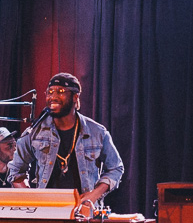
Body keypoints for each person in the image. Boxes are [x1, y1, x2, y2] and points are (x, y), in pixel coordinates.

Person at [8, 73, 124, 215]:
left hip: (85, 213)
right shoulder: (34, 132)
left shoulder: (97, 132)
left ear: (75, 97)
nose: (53, 97)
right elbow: (15, 170)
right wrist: (33, 200)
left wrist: (94, 195)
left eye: (61, 91)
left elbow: (116, 168)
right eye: (50, 92)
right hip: (46, 214)